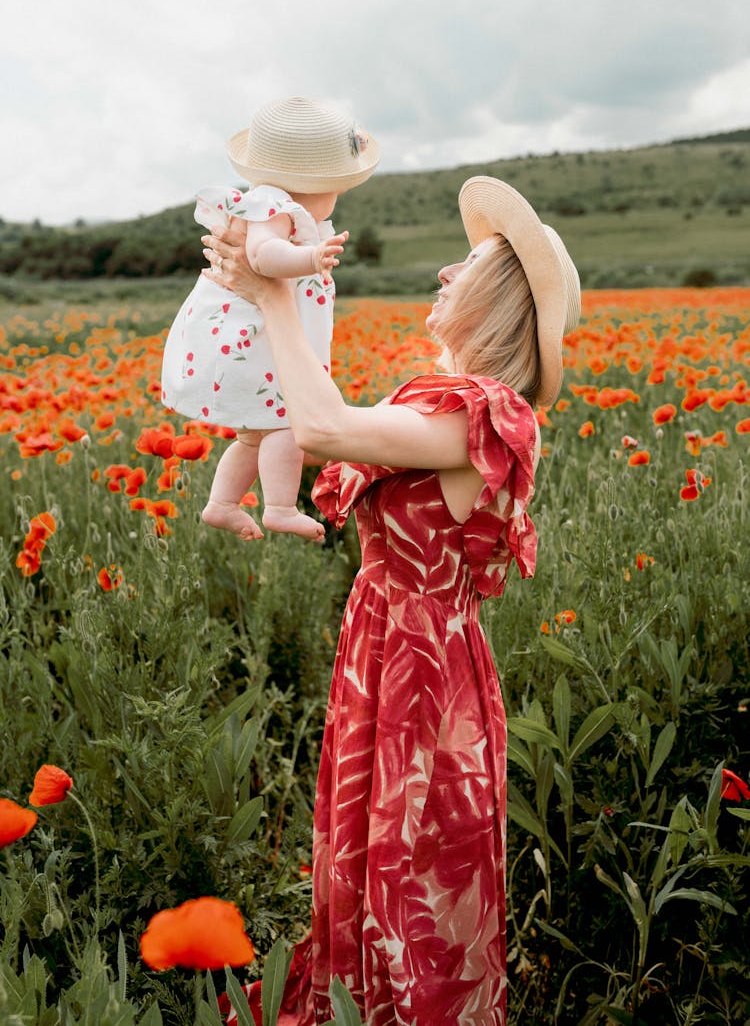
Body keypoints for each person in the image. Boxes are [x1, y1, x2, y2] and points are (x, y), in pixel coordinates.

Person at [203, 175, 581, 1025]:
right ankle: (357, 998)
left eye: (469, 263)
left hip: (422, 670)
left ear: (500, 297)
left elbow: (328, 429)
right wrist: (264, 283)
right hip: (383, 649)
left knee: (410, 867)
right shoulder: (439, 403)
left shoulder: (486, 415)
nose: (445, 272)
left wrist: (274, 294)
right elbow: (312, 414)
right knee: (372, 854)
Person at [161, 96, 379, 541]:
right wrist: (311, 256)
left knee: (253, 436)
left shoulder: (275, 206)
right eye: (337, 186)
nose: (337, 197)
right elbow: (263, 257)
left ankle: (222, 503)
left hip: (251, 340)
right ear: (311, 184)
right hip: (251, 341)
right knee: (287, 420)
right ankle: (278, 507)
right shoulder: (273, 207)